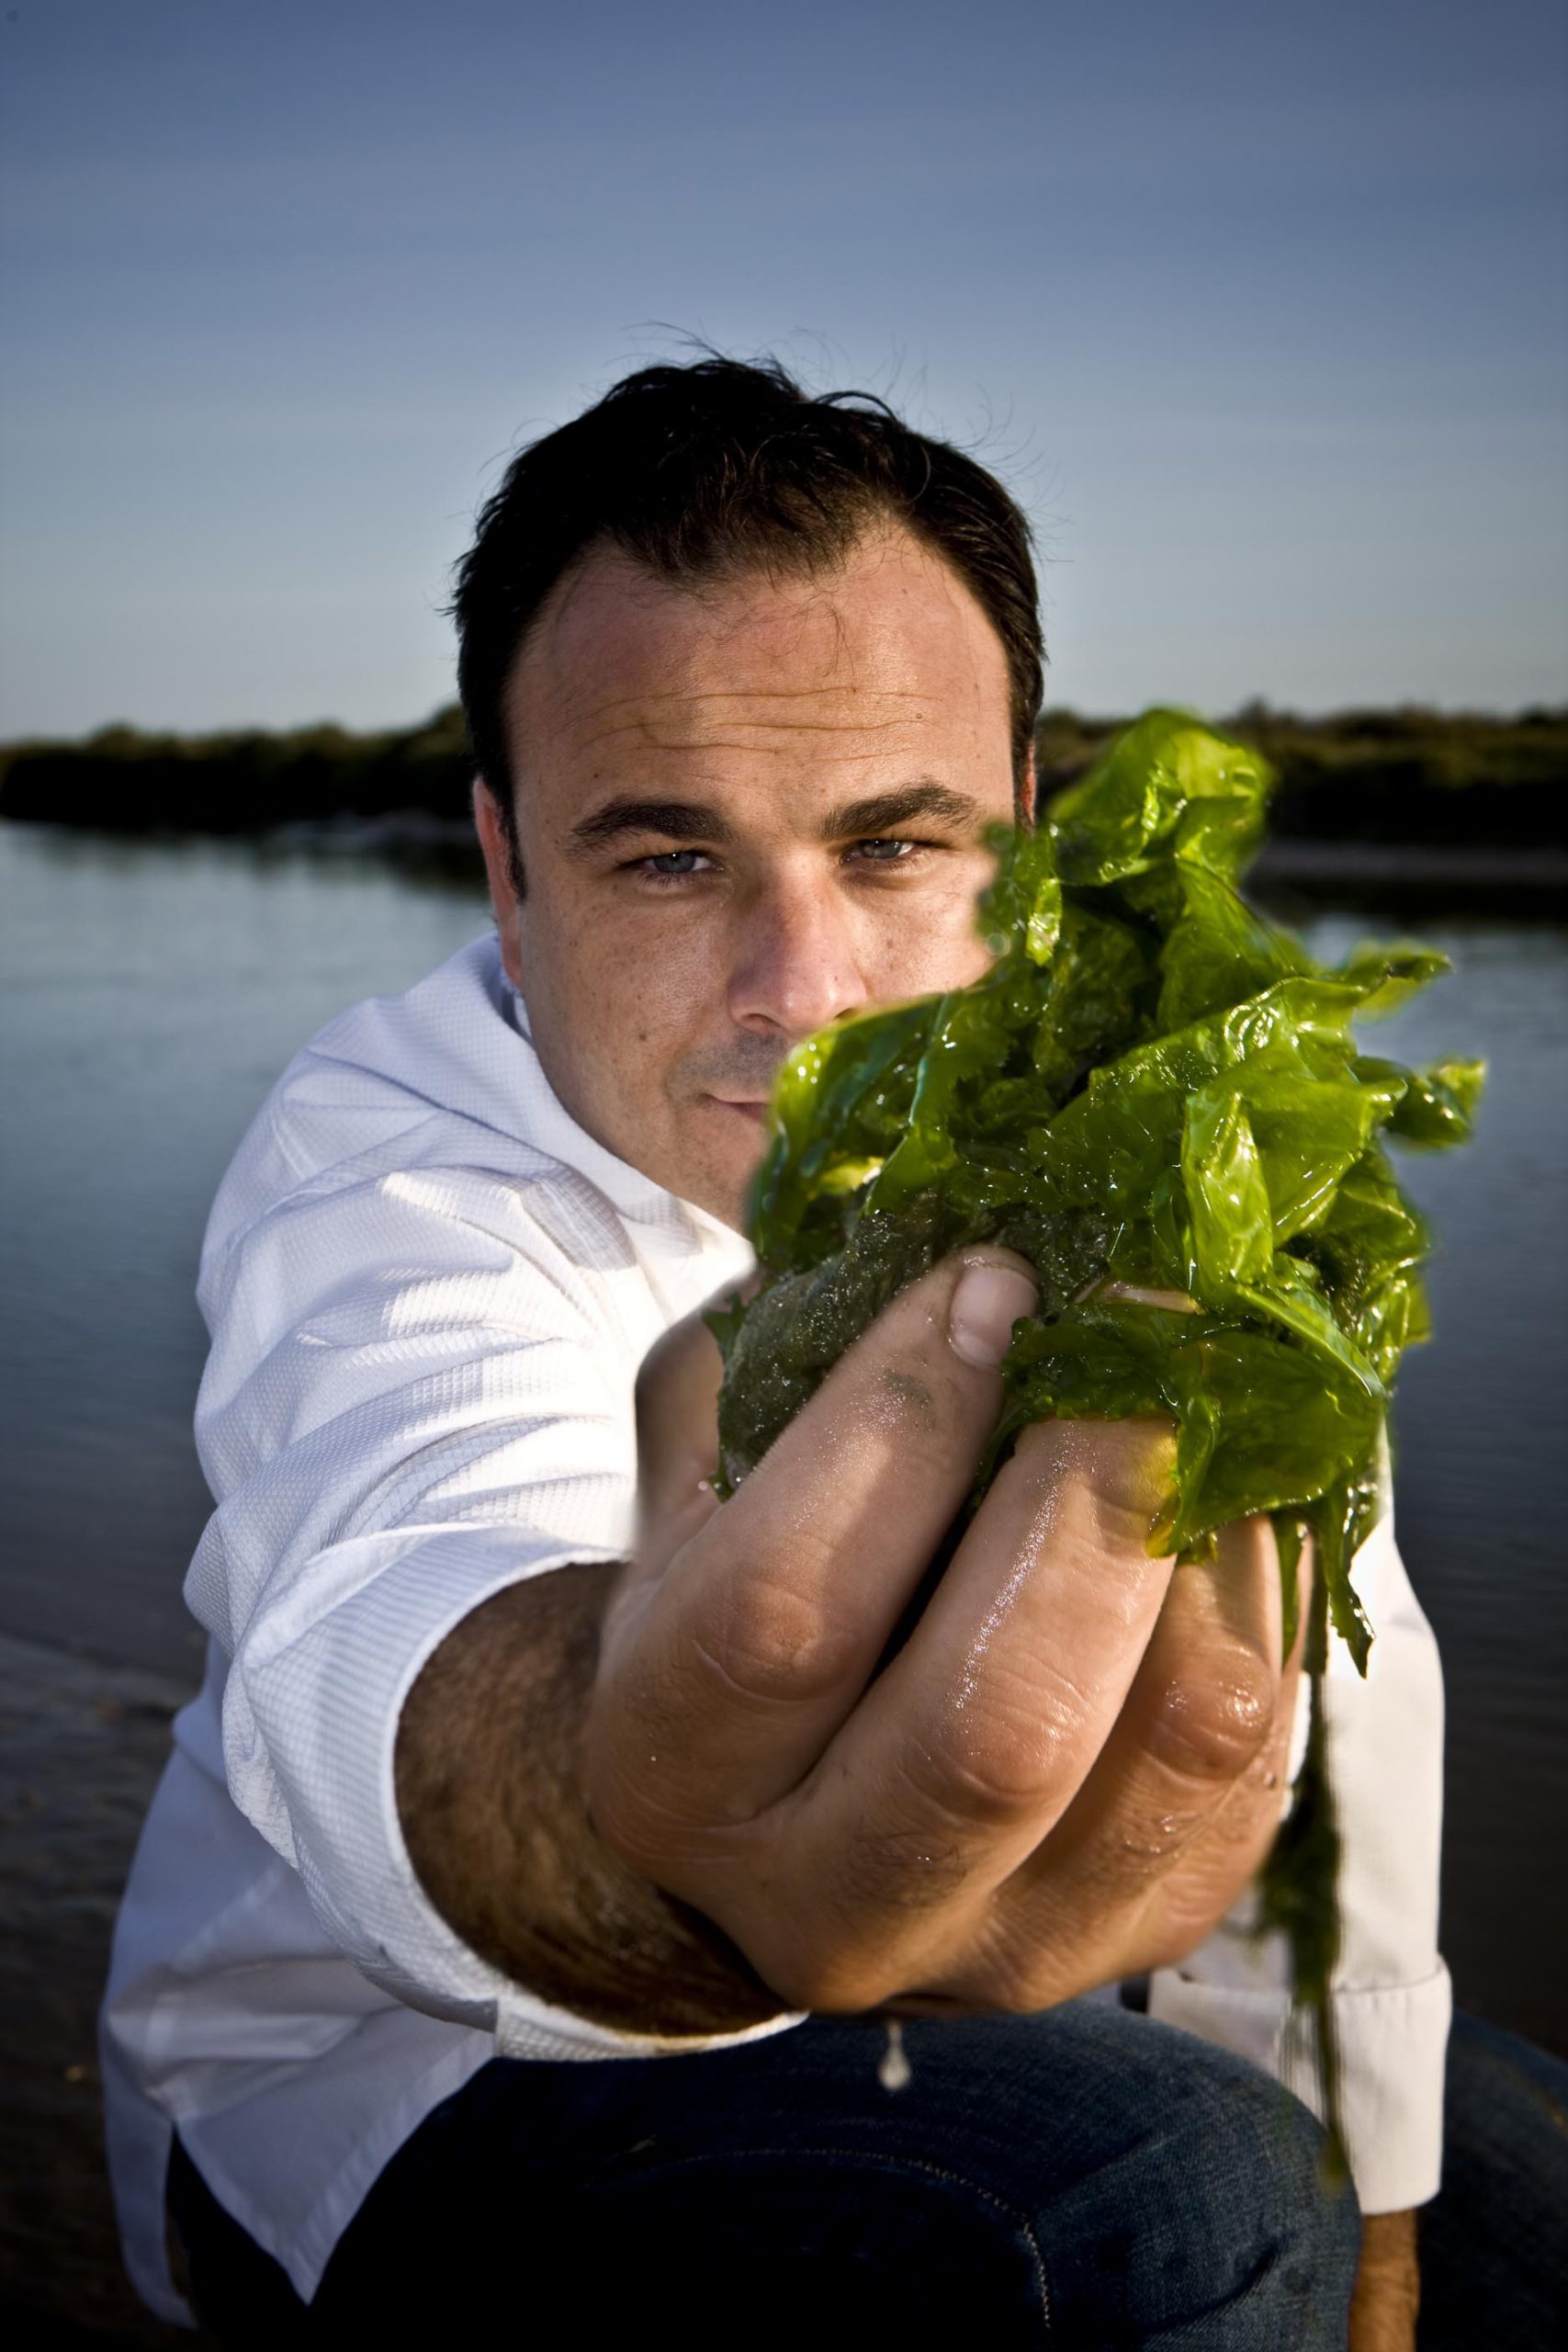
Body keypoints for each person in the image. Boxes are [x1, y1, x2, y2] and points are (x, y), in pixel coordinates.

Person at [100, 358, 1562, 2349]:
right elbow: (403, 1573)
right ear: (505, 868)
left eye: (891, 847)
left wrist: (1377, 2214)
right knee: (1166, 2189)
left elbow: (1324, 1752)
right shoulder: (396, 1163)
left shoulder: (1158, 1141)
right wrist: (628, 1805)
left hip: (1045, 1983)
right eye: (667, 857)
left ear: (1026, 834)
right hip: (386, 2081)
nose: (804, 999)